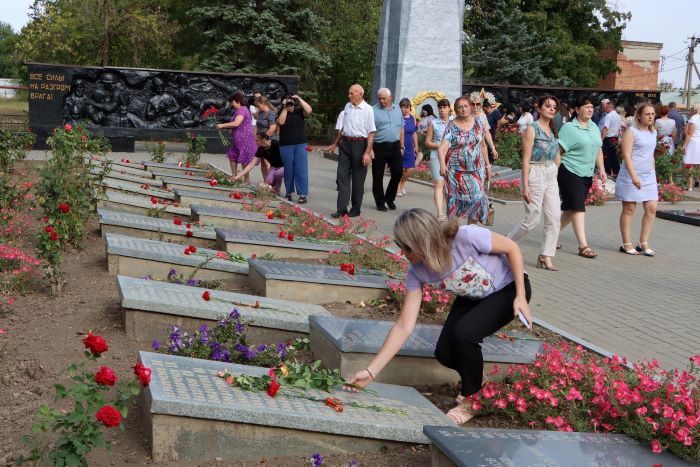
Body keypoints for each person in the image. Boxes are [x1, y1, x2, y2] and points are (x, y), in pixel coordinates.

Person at [345, 208, 532, 425]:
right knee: (444, 352)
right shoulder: (416, 271)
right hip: (473, 296)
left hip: (508, 289)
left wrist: (520, 296)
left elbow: (512, 248)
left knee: (464, 335)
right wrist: (371, 371)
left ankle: (472, 401)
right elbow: (404, 325)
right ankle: (479, 382)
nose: (403, 253)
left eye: (406, 247)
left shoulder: (466, 237)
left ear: (422, 241)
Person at [508, 95, 562, 271]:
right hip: (535, 172)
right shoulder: (532, 129)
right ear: (539, 108)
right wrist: (525, 185)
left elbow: (556, 153)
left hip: (550, 173)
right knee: (532, 218)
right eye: (548, 106)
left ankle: (546, 255)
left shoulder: (553, 130)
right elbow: (525, 160)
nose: (552, 109)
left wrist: (554, 169)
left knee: (554, 218)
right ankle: (504, 244)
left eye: (554, 106)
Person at [557, 95, 607, 258]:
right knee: (578, 208)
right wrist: (553, 174)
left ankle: (551, 234)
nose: (590, 109)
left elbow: (598, 148)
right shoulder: (569, 128)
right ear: (577, 110)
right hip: (569, 171)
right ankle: (583, 246)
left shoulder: (593, 127)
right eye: (586, 107)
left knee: (570, 210)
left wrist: (602, 169)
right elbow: (558, 151)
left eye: (592, 106)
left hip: (586, 173)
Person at [438, 96, 491, 223]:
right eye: (460, 107)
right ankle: (453, 235)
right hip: (456, 173)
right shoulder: (451, 126)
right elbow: (442, 149)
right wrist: (442, 165)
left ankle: (470, 233)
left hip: (477, 171)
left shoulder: (478, 122)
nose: (463, 109)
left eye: (466, 106)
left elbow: (483, 145)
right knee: (456, 202)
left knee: (476, 201)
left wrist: (488, 166)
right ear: (456, 109)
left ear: (470, 107)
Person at [327, 84, 376, 218]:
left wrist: (367, 152)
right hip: (346, 143)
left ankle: (355, 208)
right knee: (342, 175)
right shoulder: (347, 107)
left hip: (360, 144)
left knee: (358, 178)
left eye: (351, 93)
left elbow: (372, 132)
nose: (348, 96)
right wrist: (335, 143)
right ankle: (341, 209)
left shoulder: (368, 109)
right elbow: (343, 128)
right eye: (348, 93)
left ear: (360, 94)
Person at [615, 104, 658, 256]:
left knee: (652, 208)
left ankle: (643, 242)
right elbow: (626, 155)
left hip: (649, 175)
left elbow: (650, 154)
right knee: (629, 209)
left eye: (653, 113)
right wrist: (634, 176)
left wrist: (653, 171)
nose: (651, 116)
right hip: (631, 174)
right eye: (647, 114)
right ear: (639, 116)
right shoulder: (631, 131)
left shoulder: (653, 132)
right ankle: (627, 243)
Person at [370, 88, 404, 211]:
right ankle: (380, 202)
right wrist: (370, 149)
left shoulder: (398, 110)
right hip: (379, 146)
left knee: (398, 173)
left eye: (384, 98)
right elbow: (369, 131)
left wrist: (401, 146)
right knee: (378, 176)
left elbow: (401, 129)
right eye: (380, 98)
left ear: (390, 97)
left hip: (395, 146)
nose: (381, 100)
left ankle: (389, 198)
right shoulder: (373, 110)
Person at [277, 94, 313, 204]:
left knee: (301, 170)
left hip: (300, 144)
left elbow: (309, 110)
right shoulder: (281, 112)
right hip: (286, 145)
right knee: (288, 170)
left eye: (291, 101)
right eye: (287, 101)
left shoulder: (299, 112)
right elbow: (281, 122)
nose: (290, 104)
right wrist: (284, 108)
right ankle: (288, 193)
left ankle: (302, 195)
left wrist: (299, 99)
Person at [217, 92, 257, 182]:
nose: (232, 104)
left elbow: (237, 123)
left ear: (237, 101)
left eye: (232, 102)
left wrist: (222, 125)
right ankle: (234, 177)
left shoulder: (242, 110)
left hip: (244, 139)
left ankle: (246, 180)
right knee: (233, 156)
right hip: (238, 139)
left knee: (244, 159)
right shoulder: (239, 110)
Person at [424, 98, 453, 221]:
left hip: (452, 156)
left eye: (444, 107)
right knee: (438, 184)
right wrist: (440, 146)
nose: (442, 110)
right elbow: (427, 142)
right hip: (436, 156)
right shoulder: (434, 123)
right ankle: (440, 213)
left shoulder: (454, 122)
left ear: (449, 109)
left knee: (451, 185)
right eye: (440, 108)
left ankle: (451, 211)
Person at [397, 98, 418, 198]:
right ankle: (397, 188)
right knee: (399, 168)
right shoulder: (397, 118)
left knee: (409, 169)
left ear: (410, 108)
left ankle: (402, 185)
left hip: (410, 146)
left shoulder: (412, 118)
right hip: (399, 146)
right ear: (400, 108)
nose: (405, 109)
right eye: (403, 107)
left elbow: (414, 132)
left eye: (407, 107)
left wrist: (416, 146)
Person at [468, 92, 499, 160]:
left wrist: (492, 148)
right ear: (470, 105)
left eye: (478, 104)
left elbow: (486, 133)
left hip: (480, 149)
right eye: (473, 104)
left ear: (480, 105)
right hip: (467, 150)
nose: (475, 106)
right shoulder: (465, 116)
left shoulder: (483, 116)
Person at [254, 96, 278, 180]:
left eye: (258, 105)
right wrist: (255, 137)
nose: (257, 107)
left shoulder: (271, 113)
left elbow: (272, 128)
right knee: (263, 162)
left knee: (268, 161)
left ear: (263, 103)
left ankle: (271, 183)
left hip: (269, 140)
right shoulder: (260, 113)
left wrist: (264, 138)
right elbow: (257, 125)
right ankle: (265, 181)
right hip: (261, 140)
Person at [598, 98, 622, 177]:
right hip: (615, 138)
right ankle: (617, 172)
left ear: (610, 107)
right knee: (614, 156)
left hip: (608, 139)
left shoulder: (608, 116)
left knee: (607, 157)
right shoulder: (618, 116)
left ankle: (607, 173)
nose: (604, 108)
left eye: (605, 107)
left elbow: (605, 129)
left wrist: (601, 140)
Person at [683, 104, 700, 191]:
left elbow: (689, 133)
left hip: (693, 142)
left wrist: (684, 146)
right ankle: (697, 180)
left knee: (689, 162)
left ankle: (689, 185)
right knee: (698, 163)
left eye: (691, 109)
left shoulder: (693, 119)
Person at [483, 95, 502, 163]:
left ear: (488, 107)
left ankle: (494, 160)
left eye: (485, 109)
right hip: (488, 133)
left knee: (493, 147)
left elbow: (499, 123)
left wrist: (497, 132)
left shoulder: (495, 112)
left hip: (494, 133)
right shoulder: (486, 113)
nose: (485, 111)